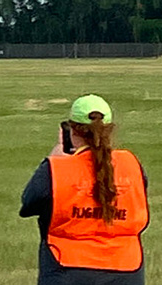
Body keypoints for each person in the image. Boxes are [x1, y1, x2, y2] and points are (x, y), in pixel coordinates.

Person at [20, 94, 149, 284]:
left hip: (67, 269)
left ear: (71, 131)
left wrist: (54, 160)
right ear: (110, 130)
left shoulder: (56, 169)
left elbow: (29, 204)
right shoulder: (132, 165)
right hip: (126, 269)